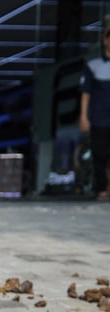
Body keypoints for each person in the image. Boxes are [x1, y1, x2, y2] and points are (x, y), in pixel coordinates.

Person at [79, 19, 110, 202]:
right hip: (99, 118)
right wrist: (83, 116)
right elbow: (86, 92)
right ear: (105, 40)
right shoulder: (93, 65)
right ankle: (101, 189)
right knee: (100, 155)